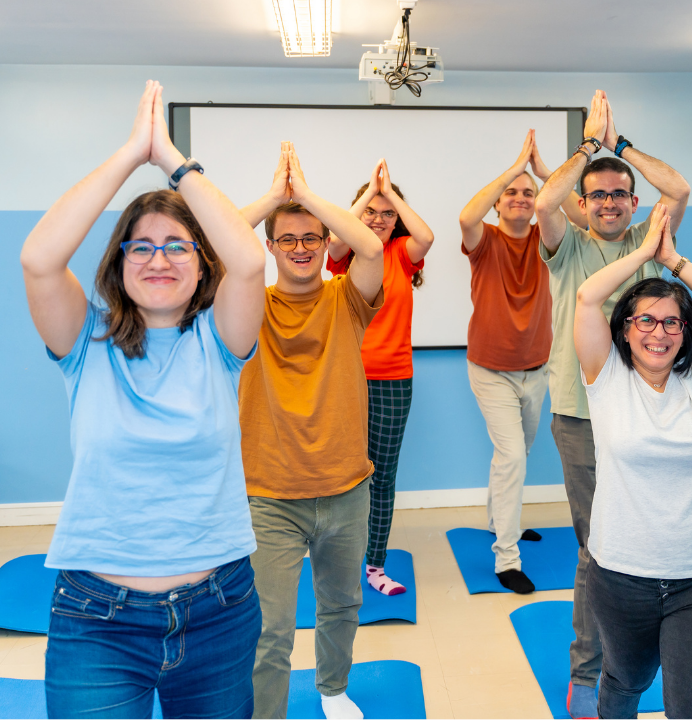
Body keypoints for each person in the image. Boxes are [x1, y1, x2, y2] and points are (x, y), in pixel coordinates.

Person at [21, 81, 266, 719]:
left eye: (177, 245)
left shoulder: (221, 340)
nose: (159, 258)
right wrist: (133, 154)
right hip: (96, 619)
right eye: (142, 245)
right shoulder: (86, 339)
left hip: (220, 610)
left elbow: (247, 262)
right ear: (121, 260)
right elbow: (39, 258)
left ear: (200, 263)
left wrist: (173, 163)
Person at [534, 89, 691, 718]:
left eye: (617, 194)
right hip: (581, 414)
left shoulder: (652, 239)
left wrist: (618, 146)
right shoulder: (566, 245)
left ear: (632, 202)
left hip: (653, 412)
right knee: (596, 545)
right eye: (595, 195)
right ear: (585, 204)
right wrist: (587, 148)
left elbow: (677, 190)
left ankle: (650, 650)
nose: (606, 203)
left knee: (654, 535)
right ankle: (587, 670)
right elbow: (546, 200)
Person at [575, 204, 692, 718]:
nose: (659, 331)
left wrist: (673, 260)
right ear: (625, 328)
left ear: (687, 332)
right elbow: (587, 297)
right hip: (622, 571)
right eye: (645, 319)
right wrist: (644, 252)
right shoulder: (605, 377)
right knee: (626, 680)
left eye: (672, 322)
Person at [239, 143, 385, 720]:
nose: (301, 248)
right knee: (269, 629)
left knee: (342, 605)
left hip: (347, 486)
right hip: (269, 495)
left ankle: (332, 690)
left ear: (326, 243)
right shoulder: (247, 301)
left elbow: (371, 245)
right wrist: (276, 198)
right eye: (287, 239)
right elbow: (205, 245)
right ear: (270, 247)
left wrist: (307, 199)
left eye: (312, 238)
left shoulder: (347, 298)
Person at [458, 129, 589, 594]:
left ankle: (500, 519)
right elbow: (467, 214)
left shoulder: (550, 239)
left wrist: (543, 174)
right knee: (512, 455)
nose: (519, 197)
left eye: (527, 194)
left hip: (538, 368)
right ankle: (506, 557)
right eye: (511, 194)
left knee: (517, 453)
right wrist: (514, 170)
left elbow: (583, 214)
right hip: (490, 369)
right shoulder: (485, 240)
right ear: (499, 203)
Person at [322, 158, 434, 597]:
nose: (380, 220)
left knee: (382, 476)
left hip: (393, 379)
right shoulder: (346, 256)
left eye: (389, 213)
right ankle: (336, 556)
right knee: (340, 473)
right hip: (344, 377)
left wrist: (392, 200)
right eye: (372, 212)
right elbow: (333, 240)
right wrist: (370, 194)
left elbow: (424, 235)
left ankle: (374, 565)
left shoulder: (402, 256)